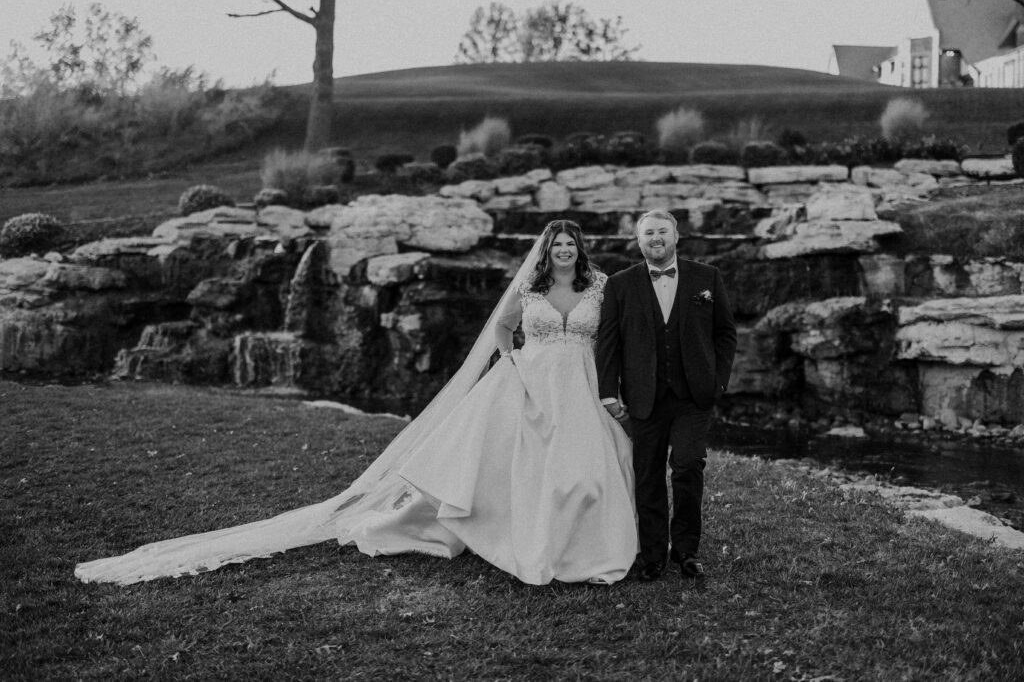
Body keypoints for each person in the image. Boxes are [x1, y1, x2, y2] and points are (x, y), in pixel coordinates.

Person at [75, 220, 637, 586]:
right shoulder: (530, 289)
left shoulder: (601, 285)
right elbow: (503, 328)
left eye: (570, 245)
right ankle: (507, 534)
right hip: (530, 379)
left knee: (584, 469)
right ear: (548, 250)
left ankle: (578, 546)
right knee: (508, 464)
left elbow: (613, 331)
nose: (564, 251)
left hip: (582, 384)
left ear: (579, 250)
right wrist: (515, 359)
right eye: (557, 245)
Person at [596, 209, 736, 583]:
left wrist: (718, 381)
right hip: (644, 396)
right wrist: (608, 391)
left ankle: (686, 551)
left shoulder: (707, 277)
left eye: (662, 232)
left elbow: (725, 333)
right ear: (638, 241)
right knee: (648, 475)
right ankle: (654, 554)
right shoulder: (620, 284)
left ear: (676, 237)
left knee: (688, 467)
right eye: (647, 234)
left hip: (694, 396)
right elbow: (608, 343)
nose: (655, 239)